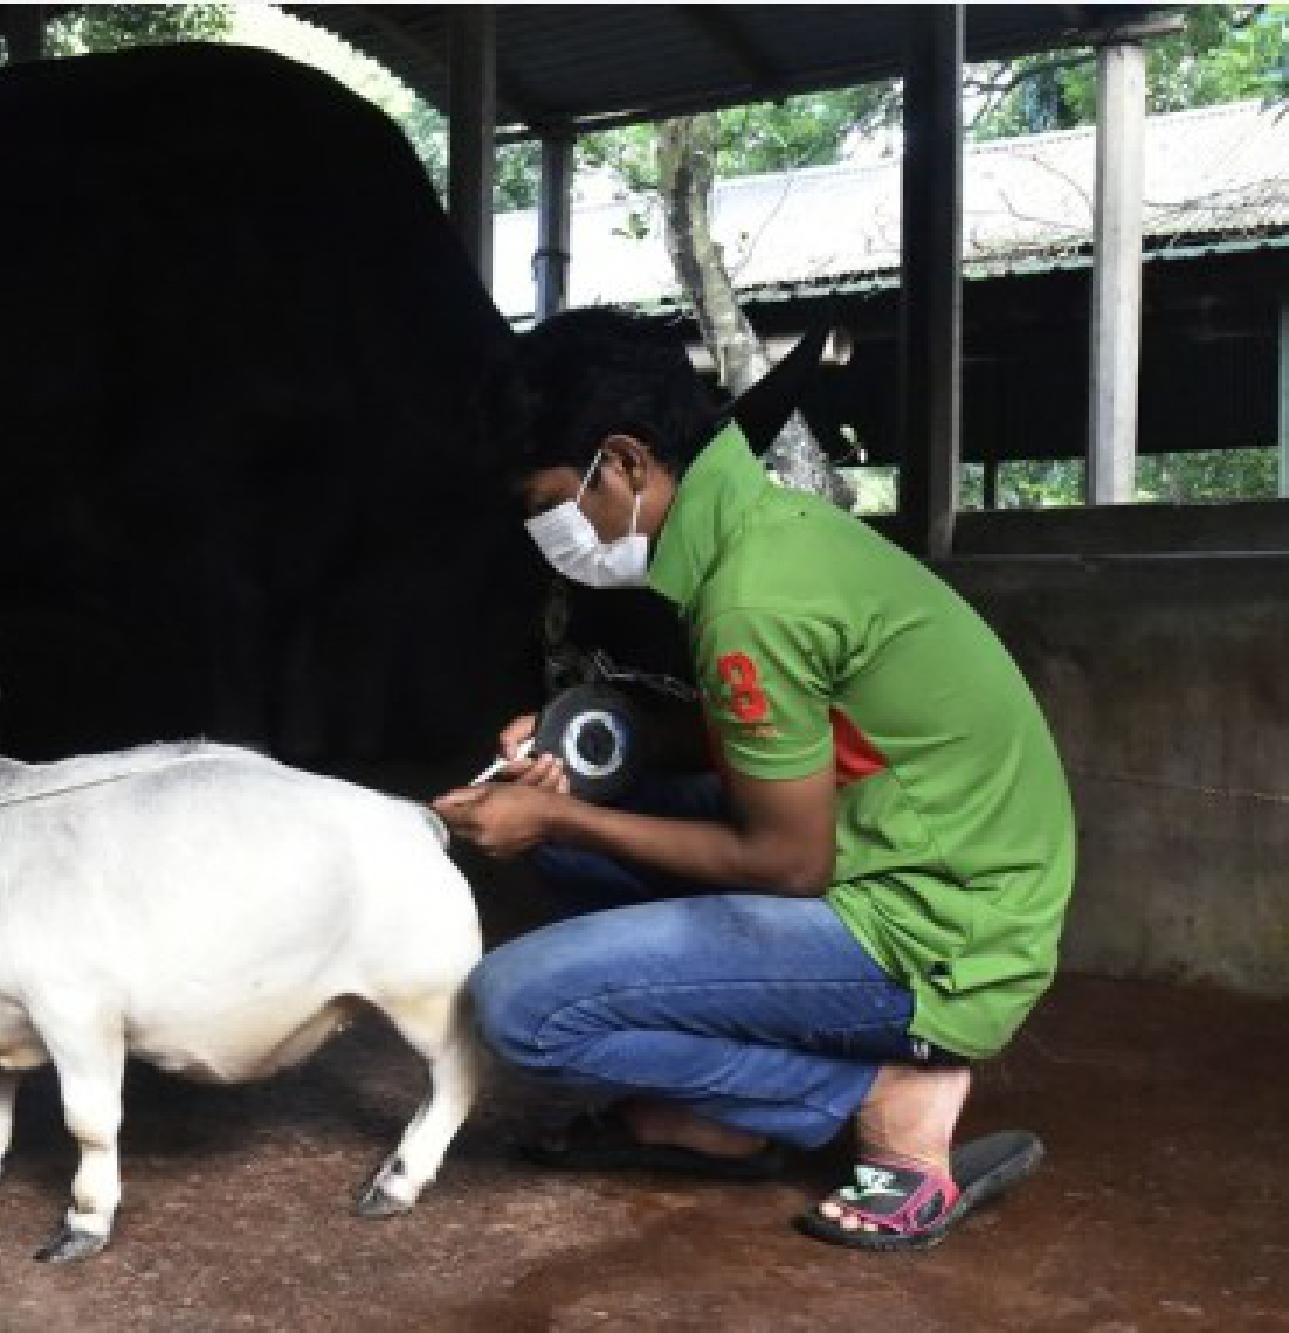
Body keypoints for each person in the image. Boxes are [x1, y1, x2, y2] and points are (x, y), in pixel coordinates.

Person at [433, 309, 1075, 1251]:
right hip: (925, 854)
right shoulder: (762, 532)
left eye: (548, 503)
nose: (547, 531)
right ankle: (730, 1114)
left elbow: (783, 862)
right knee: (582, 834)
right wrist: (600, 742)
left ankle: (878, 1090)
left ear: (624, 463)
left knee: (516, 1006)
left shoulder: (752, 597)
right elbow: (772, 733)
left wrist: (553, 821)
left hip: (937, 928)